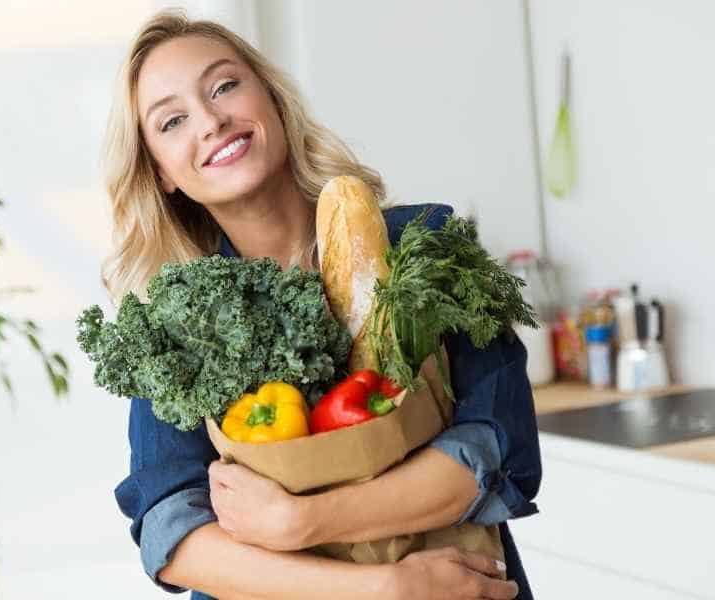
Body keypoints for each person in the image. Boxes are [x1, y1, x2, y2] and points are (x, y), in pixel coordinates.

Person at [104, 9, 541, 600]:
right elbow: (173, 531)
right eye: (173, 120)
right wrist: (386, 587)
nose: (210, 121)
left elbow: (494, 446)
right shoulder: (175, 322)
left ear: (273, 100)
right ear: (161, 173)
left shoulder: (421, 245)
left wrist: (301, 522)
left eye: (225, 86)